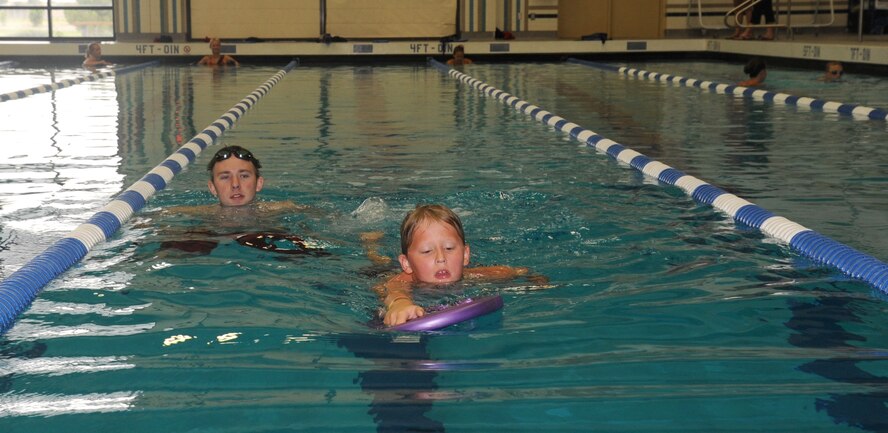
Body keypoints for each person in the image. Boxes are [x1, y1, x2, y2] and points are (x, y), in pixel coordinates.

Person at [370, 204, 546, 326]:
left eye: (449, 248)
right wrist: (400, 305)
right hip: (384, 274)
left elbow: (515, 271)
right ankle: (371, 244)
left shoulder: (475, 275)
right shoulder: (401, 282)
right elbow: (392, 292)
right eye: (426, 251)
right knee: (380, 262)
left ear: (465, 255)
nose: (441, 258)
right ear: (407, 263)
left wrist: (535, 278)